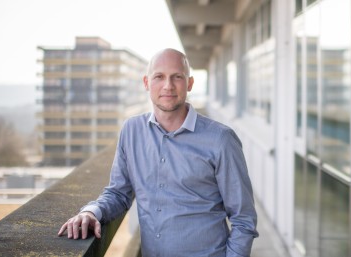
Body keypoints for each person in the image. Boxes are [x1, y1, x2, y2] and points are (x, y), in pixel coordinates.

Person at [57, 48, 258, 257]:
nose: (168, 86)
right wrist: (91, 212)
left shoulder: (221, 139)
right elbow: (118, 193)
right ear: (146, 83)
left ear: (189, 83)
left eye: (177, 77)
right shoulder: (131, 131)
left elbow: (243, 219)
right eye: (159, 77)